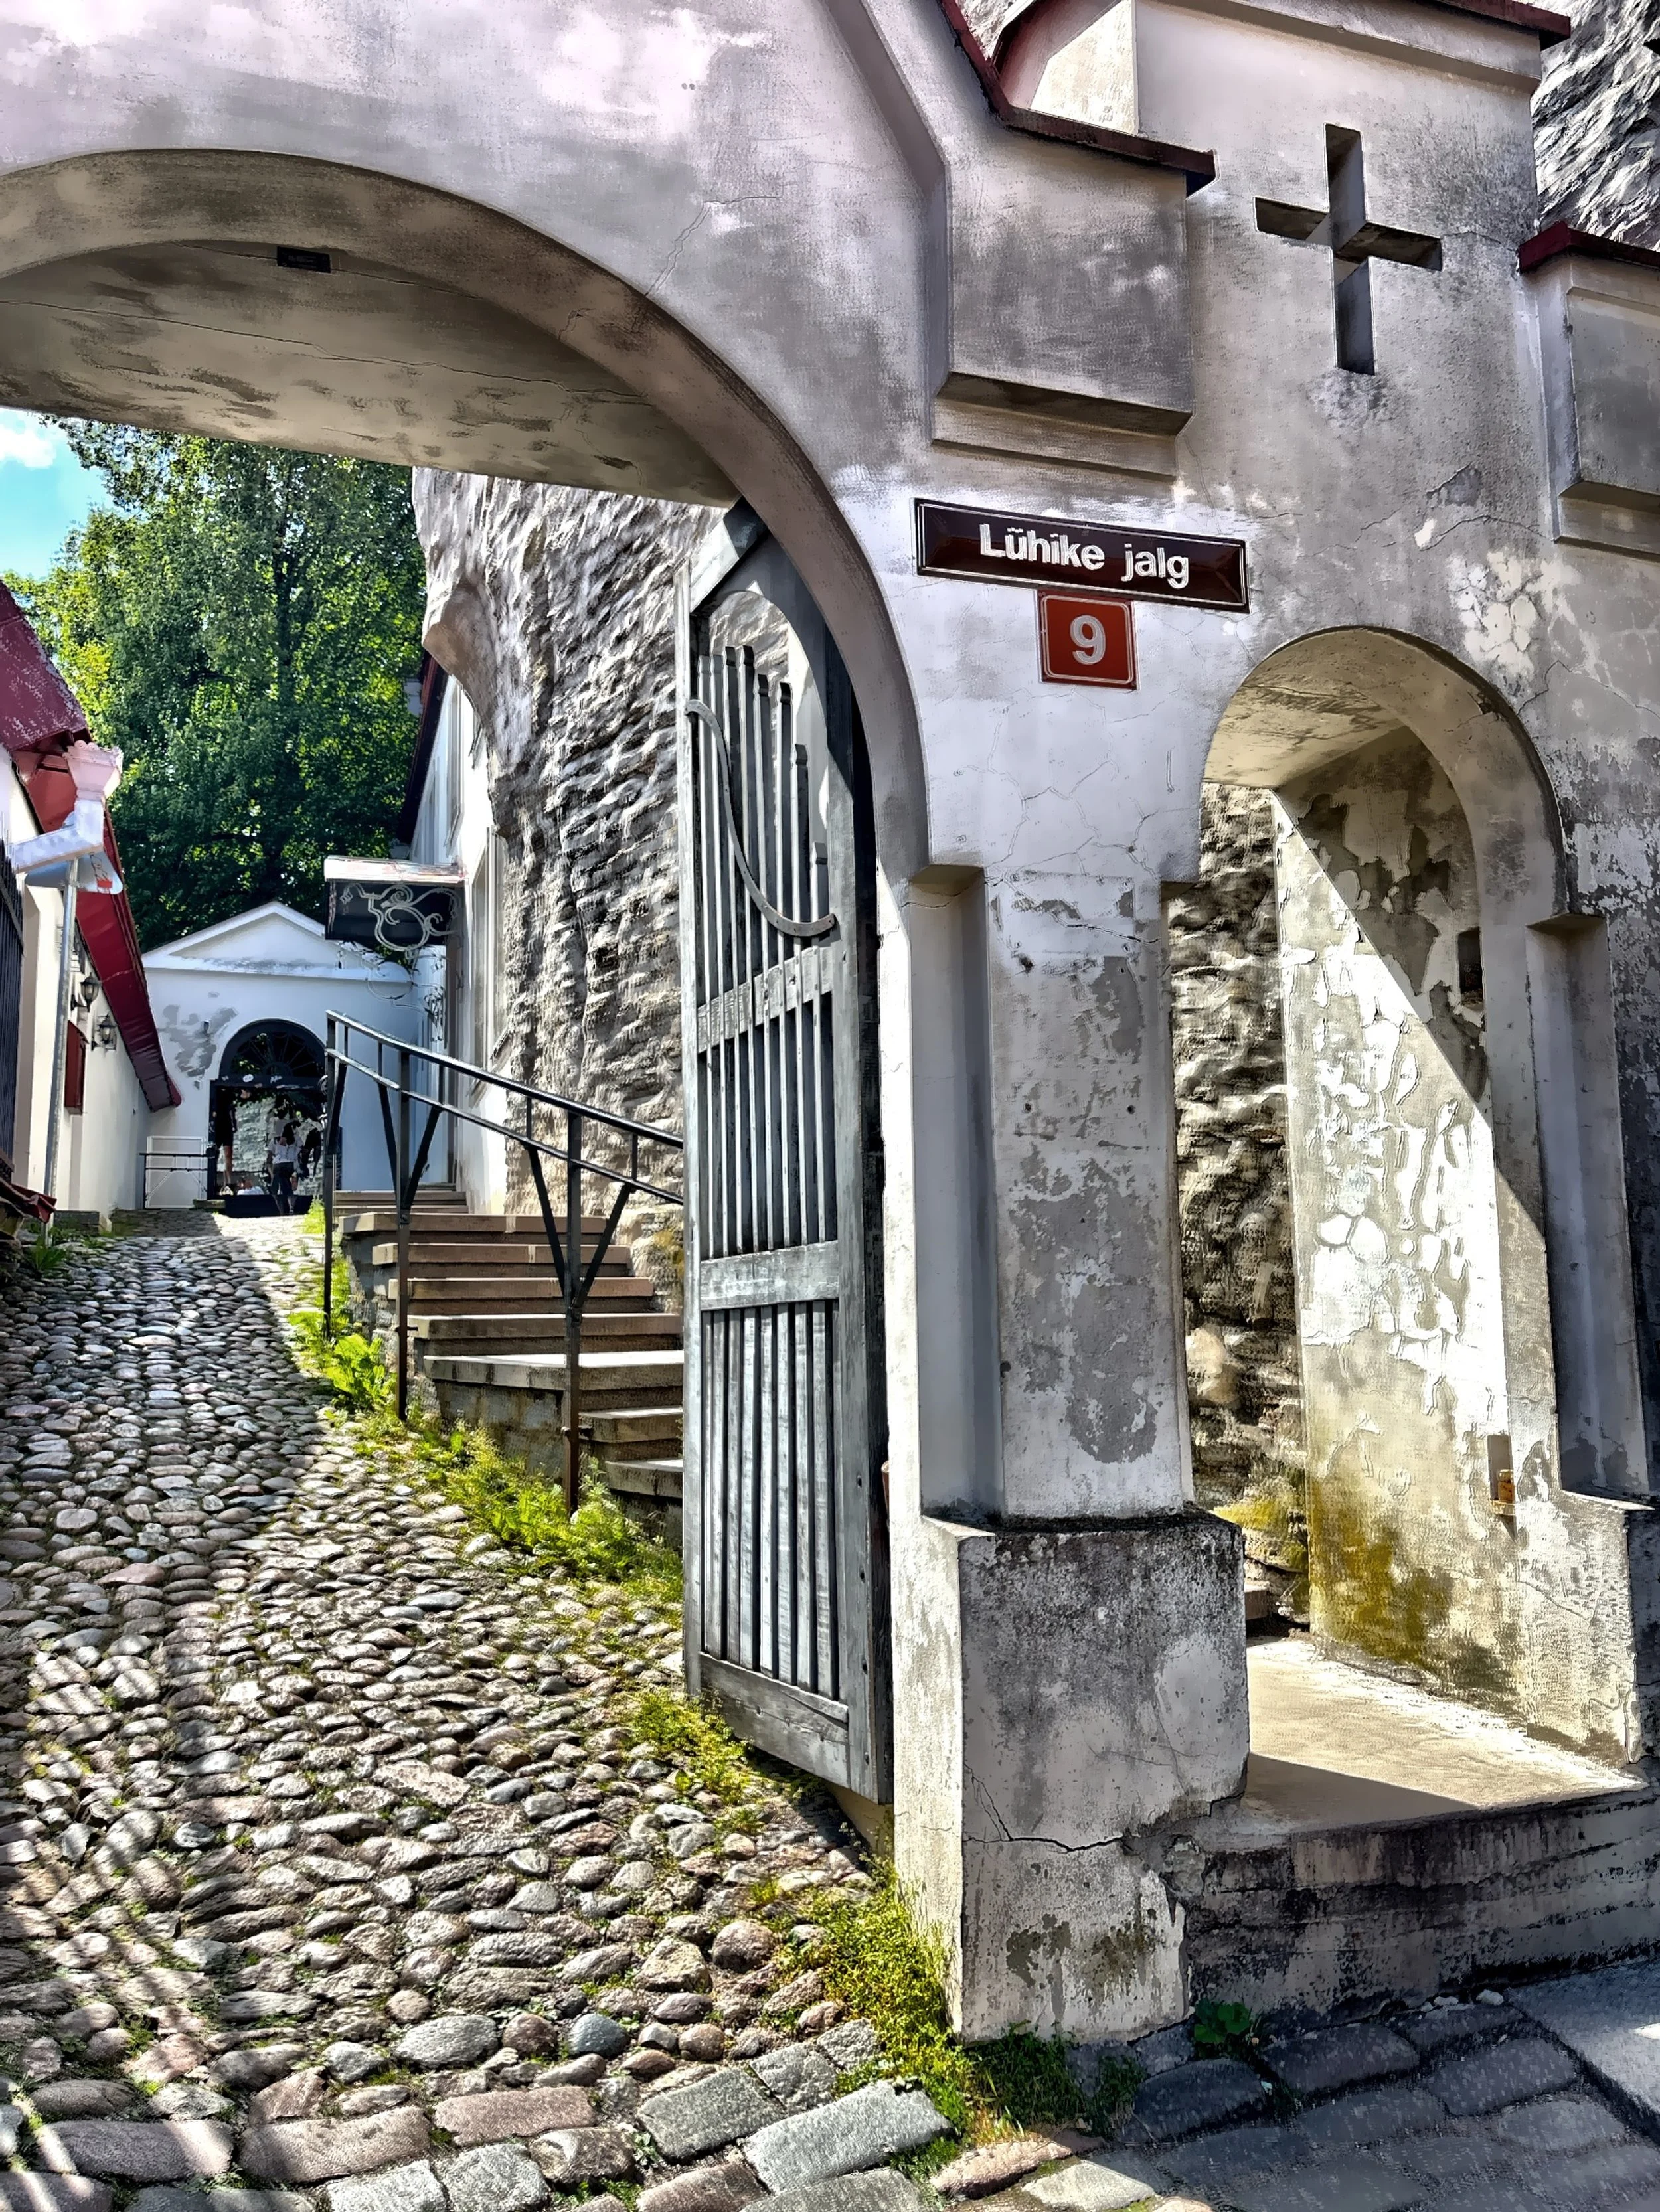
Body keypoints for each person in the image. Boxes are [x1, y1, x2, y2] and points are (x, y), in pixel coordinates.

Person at [270, 1121, 300, 1214]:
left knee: (275, 1188)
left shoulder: (279, 1140)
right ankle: (291, 1206)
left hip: (279, 1164)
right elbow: (301, 1148)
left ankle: (280, 1208)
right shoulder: (296, 1139)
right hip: (290, 1164)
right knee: (285, 1184)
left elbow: (276, 1151)